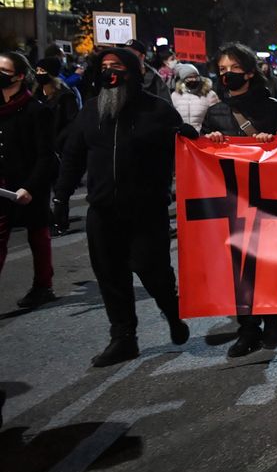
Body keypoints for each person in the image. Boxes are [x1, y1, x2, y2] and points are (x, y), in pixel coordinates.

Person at [52, 47, 191, 367]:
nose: (110, 71)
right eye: (105, 66)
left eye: (117, 65)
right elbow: (73, 158)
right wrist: (60, 198)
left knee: (153, 271)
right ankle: (123, 337)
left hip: (146, 211)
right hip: (102, 212)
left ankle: (172, 312)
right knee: (110, 276)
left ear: (132, 72)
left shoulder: (157, 110)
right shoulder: (90, 112)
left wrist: (189, 137)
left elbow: (186, 150)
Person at [200, 42, 277, 358]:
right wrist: (210, 142)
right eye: (222, 70)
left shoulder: (272, 107)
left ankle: (272, 319)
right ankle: (248, 327)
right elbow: (202, 158)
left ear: (251, 72)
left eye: (234, 69)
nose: (228, 75)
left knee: (267, 262)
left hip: (267, 199)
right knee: (239, 266)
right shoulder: (216, 113)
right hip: (232, 199)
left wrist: (276, 139)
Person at [0, 52, 57, 309]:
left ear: (19, 76)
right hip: (2, 186)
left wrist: (30, 187)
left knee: (38, 235)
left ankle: (43, 286)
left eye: (3, 70)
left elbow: (46, 156)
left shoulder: (36, 111)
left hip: (28, 185)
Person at [32, 55, 80, 149]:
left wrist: (59, 141)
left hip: (57, 145)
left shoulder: (65, 95)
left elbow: (72, 123)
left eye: (42, 71)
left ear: (51, 73)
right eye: (37, 70)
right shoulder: (37, 93)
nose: (38, 73)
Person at [170, 63, 219, 130]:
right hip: (182, 135)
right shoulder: (175, 95)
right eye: (189, 77)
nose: (193, 79)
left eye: (195, 76)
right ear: (183, 79)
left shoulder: (209, 94)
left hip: (203, 136)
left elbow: (217, 116)